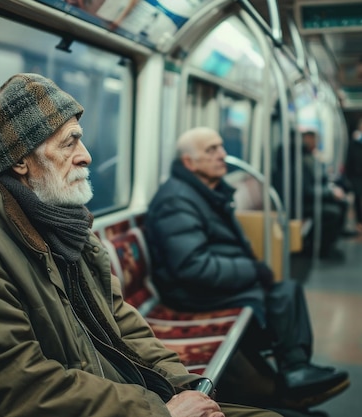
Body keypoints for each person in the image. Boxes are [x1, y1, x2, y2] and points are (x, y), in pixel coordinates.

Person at [0, 73, 283, 417]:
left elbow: (120, 322)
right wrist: (159, 412)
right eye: (69, 144)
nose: (86, 156)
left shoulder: (61, 221)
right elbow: (16, 386)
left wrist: (184, 386)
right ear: (20, 161)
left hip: (125, 394)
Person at [144, 127, 350, 409]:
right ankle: (290, 376)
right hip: (189, 293)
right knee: (280, 293)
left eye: (220, 147)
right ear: (189, 163)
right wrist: (251, 271)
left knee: (284, 292)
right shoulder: (177, 201)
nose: (223, 155)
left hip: (200, 284)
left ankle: (294, 371)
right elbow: (192, 266)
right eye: (211, 150)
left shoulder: (204, 192)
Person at [299, 130, 349, 257]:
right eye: (312, 140)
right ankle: (321, 248)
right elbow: (307, 190)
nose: (315, 143)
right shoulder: (300, 161)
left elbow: (320, 178)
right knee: (333, 212)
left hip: (309, 197)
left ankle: (331, 241)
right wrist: (330, 193)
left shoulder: (311, 157)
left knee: (342, 203)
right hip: (301, 203)